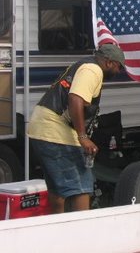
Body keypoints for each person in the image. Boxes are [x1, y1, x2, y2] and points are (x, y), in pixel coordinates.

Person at [27, 43, 125, 213]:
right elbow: (75, 99)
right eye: (119, 67)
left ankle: (58, 229)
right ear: (109, 62)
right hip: (55, 130)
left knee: (58, 189)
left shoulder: (83, 65)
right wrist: (82, 137)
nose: (119, 72)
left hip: (41, 127)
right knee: (81, 186)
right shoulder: (93, 70)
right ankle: (82, 234)